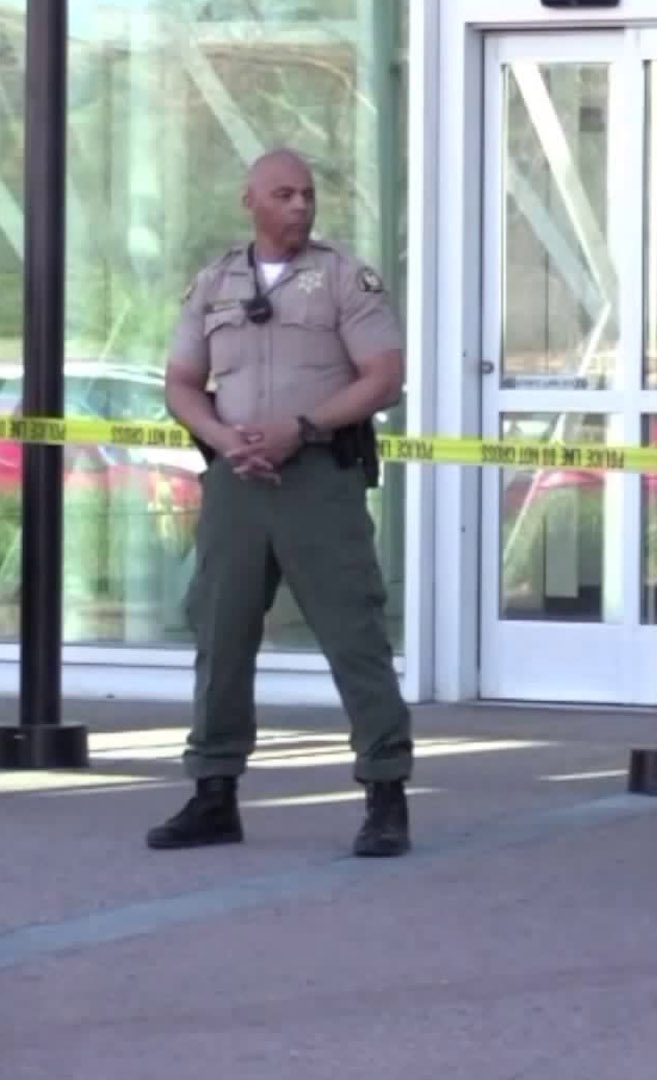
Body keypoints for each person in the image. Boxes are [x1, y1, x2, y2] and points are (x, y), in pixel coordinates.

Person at [146, 147, 413, 857]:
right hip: (237, 484)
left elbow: (383, 376)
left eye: (308, 195)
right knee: (221, 635)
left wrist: (303, 429)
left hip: (318, 479)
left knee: (353, 634)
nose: (300, 206)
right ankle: (213, 793)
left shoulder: (340, 279)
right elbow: (179, 381)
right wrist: (220, 437)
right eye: (285, 194)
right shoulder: (214, 283)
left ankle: (386, 793)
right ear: (252, 201)